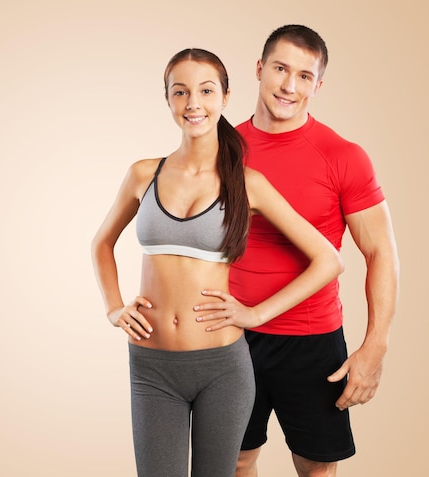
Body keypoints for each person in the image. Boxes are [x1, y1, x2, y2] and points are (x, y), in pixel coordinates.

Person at [91, 47, 344, 477]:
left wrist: (256, 313)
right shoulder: (142, 174)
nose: (193, 103)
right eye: (181, 92)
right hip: (152, 367)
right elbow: (102, 243)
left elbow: (328, 259)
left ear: (225, 97)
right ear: (168, 99)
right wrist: (114, 308)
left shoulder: (248, 184)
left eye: (206, 91)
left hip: (222, 367)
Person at [193, 25, 400, 476]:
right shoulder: (219, 149)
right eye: (281, 69)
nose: (289, 86)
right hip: (229, 336)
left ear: (318, 85)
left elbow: (380, 251)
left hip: (311, 342)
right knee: (233, 461)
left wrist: (375, 347)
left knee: (316, 467)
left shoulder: (343, 156)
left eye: (305, 76)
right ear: (259, 69)